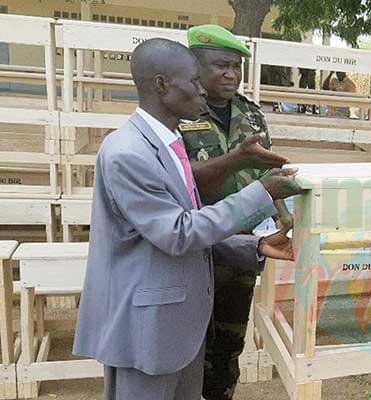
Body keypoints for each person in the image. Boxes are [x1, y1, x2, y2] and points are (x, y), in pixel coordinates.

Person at [72, 38, 305, 400]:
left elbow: (183, 224)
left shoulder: (168, 144)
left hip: (179, 328)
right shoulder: (128, 153)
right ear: (162, 85)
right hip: (147, 331)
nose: (202, 91)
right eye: (194, 81)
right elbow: (177, 233)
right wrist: (263, 193)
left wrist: (254, 245)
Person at [180, 24, 292, 400]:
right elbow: (182, 181)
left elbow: (266, 172)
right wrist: (234, 160)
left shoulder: (252, 114)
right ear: (196, 66)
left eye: (236, 66)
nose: (230, 74)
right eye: (220, 65)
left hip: (244, 245)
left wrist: (284, 218)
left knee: (229, 342)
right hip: (193, 243)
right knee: (187, 343)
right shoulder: (178, 115)